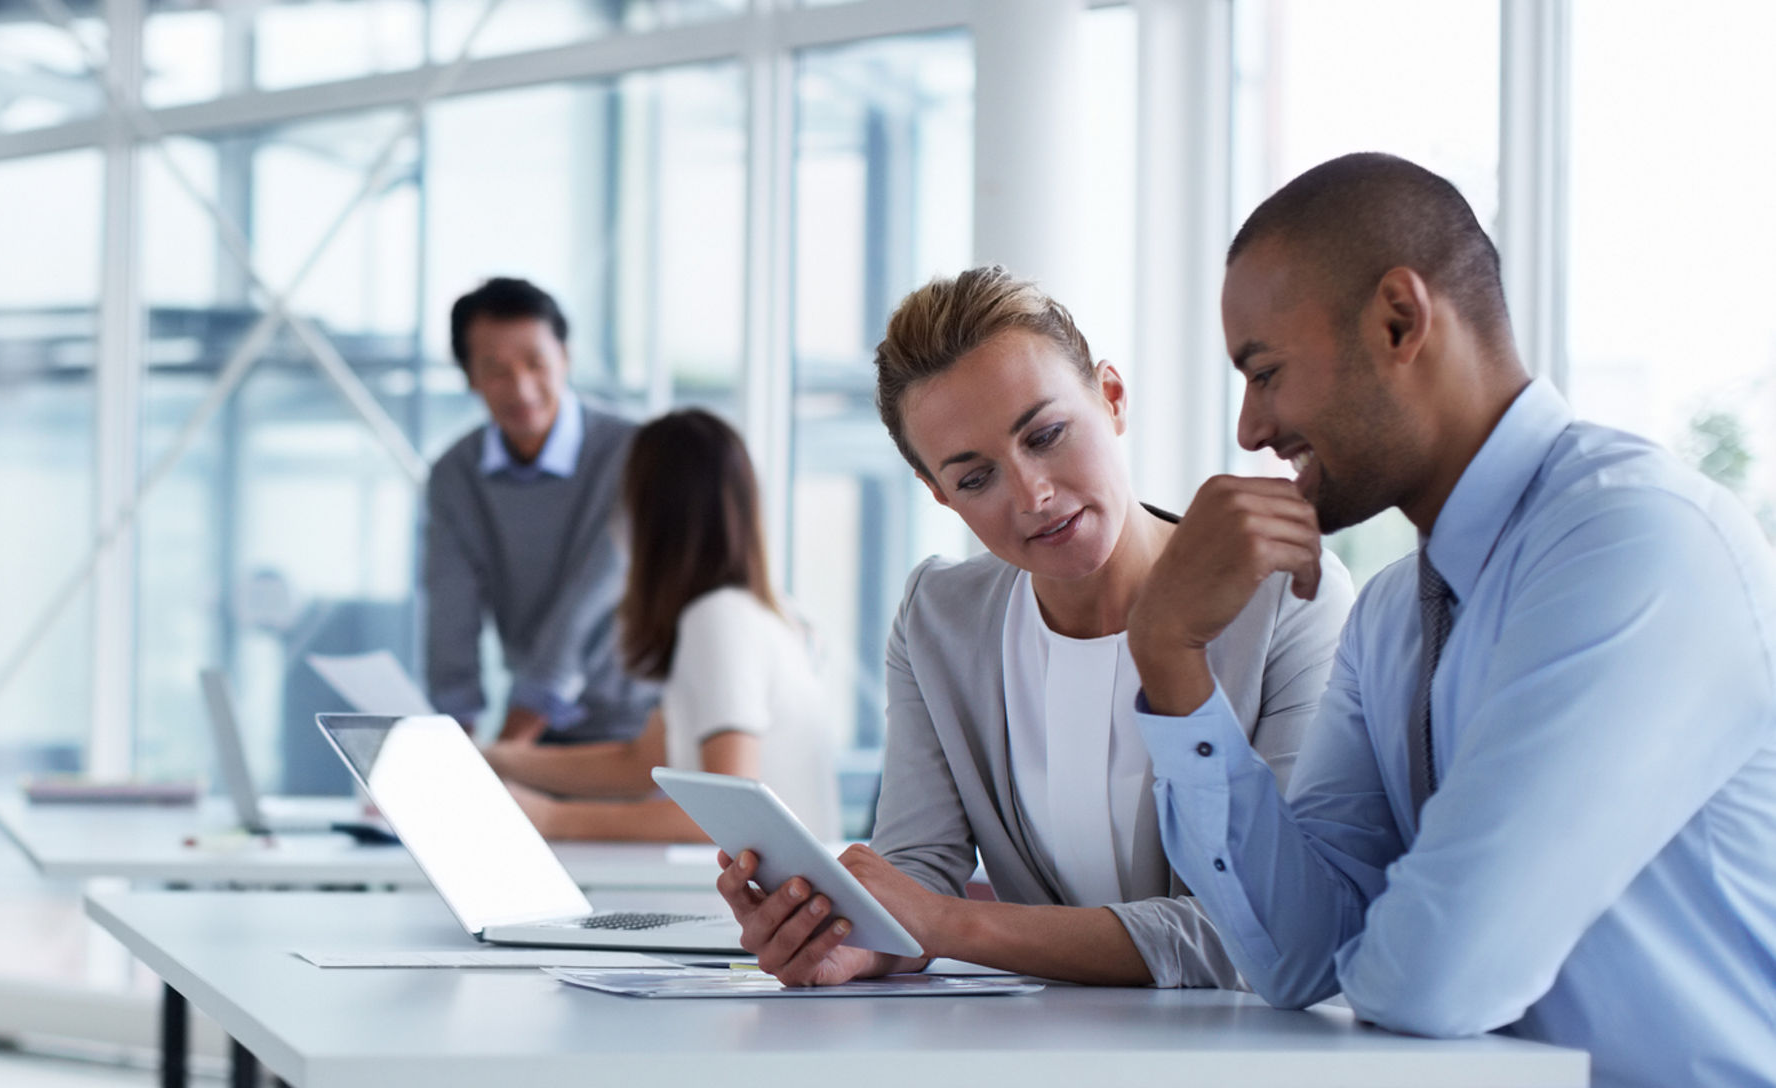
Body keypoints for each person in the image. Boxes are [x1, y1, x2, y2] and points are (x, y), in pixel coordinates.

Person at [1123, 153, 1776, 1086]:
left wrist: (1388, 939)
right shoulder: (1392, 613)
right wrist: (1169, 651)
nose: (1251, 430)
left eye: (1264, 372)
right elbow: (1298, 956)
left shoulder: (1635, 544)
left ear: (1400, 319)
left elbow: (1437, 981)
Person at [715, 266, 1352, 988]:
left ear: (1112, 398)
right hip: (1039, 1049)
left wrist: (950, 925)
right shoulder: (940, 620)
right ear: (939, 494)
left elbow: (1263, 928)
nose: (1033, 495)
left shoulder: (1287, 601)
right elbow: (917, 873)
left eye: (1046, 435)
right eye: (975, 478)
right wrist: (859, 937)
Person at [487, 409, 839, 842]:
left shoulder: (719, 621)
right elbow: (641, 762)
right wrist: (493, 760)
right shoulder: (763, 615)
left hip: (755, 902)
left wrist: (548, 818)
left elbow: (727, 816)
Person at [423, 277, 656, 745]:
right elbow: (451, 611)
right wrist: (454, 744)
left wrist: (508, 746)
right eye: (496, 370)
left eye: (536, 363)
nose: (521, 389)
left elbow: (593, 597)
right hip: (539, 731)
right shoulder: (454, 475)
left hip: (639, 725)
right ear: (469, 377)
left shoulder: (635, 453)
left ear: (565, 358)